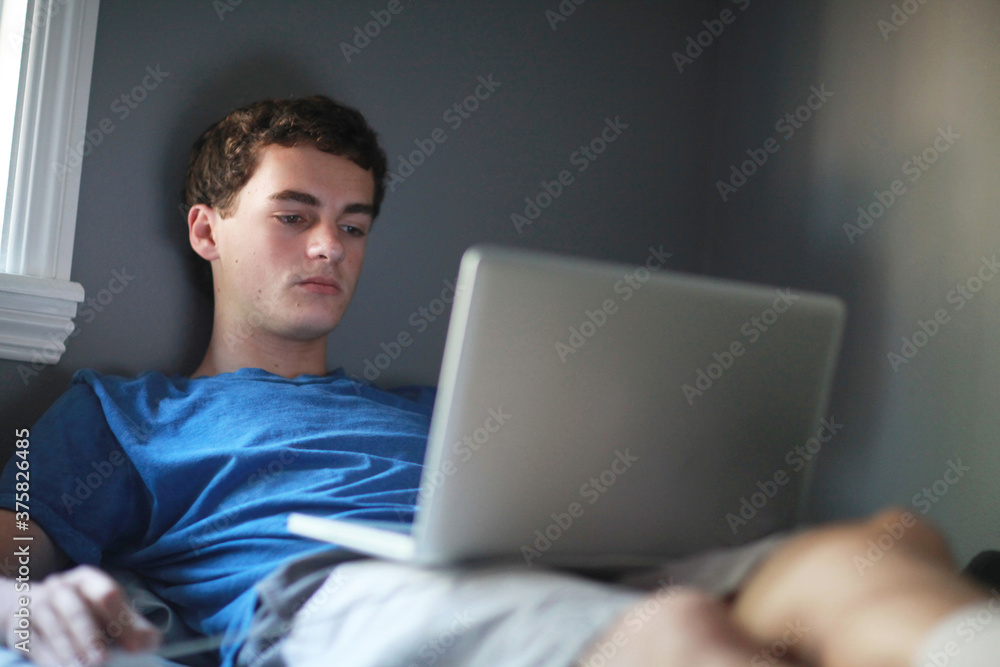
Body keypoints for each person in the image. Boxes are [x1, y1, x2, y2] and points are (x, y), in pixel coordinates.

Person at [0, 95, 996, 667]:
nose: (329, 246)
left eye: (353, 224)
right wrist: (19, 607)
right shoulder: (127, 414)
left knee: (886, 541)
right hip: (330, 599)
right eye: (294, 213)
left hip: (556, 563)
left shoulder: (444, 402)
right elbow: (10, 546)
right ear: (206, 229)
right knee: (683, 632)